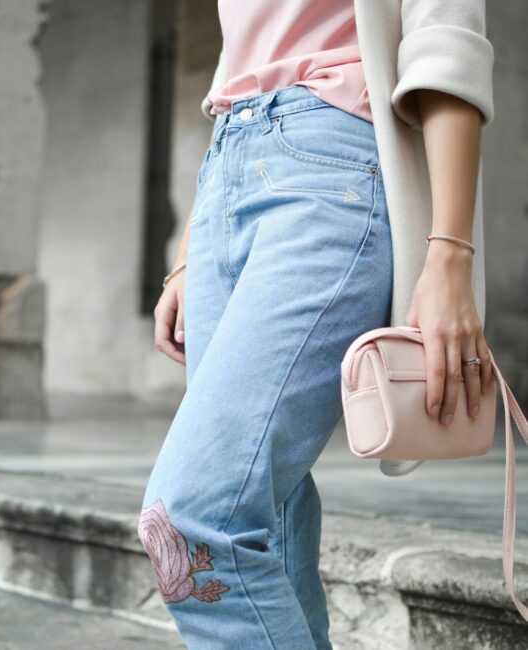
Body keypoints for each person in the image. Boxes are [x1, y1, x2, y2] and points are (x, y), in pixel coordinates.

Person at [138, 1, 495, 647]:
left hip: (332, 172)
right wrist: (191, 248)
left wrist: (449, 254)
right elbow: (241, 63)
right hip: (226, 170)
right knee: (266, 515)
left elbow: (445, 42)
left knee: (191, 521)